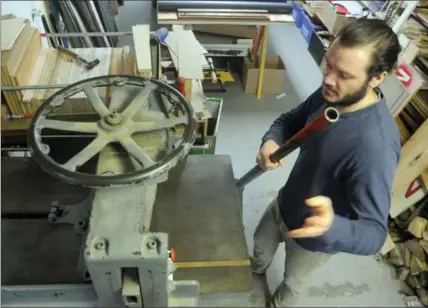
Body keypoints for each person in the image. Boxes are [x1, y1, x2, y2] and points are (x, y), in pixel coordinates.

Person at [251, 18, 402, 307]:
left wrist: (332, 228)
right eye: (328, 65)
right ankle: (255, 273)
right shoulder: (331, 96)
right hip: (284, 204)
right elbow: (289, 120)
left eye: (344, 74)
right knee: (259, 252)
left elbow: (374, 233)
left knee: (293, 285)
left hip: (314, 241)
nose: (329, 79)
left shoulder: (375, 146)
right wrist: (271, 141)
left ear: (377, 78)